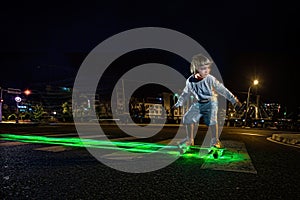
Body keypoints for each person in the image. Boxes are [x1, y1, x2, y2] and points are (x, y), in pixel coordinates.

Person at [173, 53, 241, 149]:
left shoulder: (210, 79)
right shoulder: (190, 81)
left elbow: (222, 90)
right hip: (199, 103)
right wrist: (178, 103)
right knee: (187, 118)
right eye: (203, 68)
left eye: (208, 68)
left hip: (211, 102)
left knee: (211, 120)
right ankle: (189, 139)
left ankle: (215, 141)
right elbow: (185, 93)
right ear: (196, 68)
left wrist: (234, 101)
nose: (207, 71)